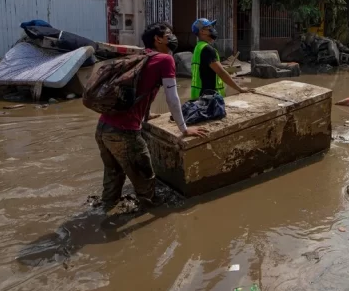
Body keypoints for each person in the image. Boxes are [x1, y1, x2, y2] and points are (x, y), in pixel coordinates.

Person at [95, 22, 205, 211]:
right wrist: (184, 129)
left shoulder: (140, 56)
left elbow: (137, 90)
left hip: (103, 128)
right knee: (146, 183)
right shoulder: (165, 59)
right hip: (125, 133)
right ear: (158, 39)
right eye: (168, 34)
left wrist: (145, 115)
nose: (172, 37)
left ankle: (104, 217)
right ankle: (152, 225)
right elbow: (172, 98)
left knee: (113, 177)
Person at [190, 18, 251, 100]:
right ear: (202, 31)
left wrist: (227, 70)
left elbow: (205, 69)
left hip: (198, 96)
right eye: (210, 27)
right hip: (209, 98)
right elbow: (221, 73)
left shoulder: (198, 48)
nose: (213, 30)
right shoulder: (208, 49)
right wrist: (239, 89)